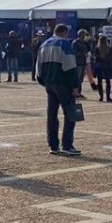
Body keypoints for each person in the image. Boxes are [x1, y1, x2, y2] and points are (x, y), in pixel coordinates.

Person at [37, 23, 82, 156]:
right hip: (63, 83)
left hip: (49, 83)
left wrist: (44, 82)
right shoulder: (65, 44)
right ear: (65, 32)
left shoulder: (44, 44)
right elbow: (70, 66)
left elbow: (38, 67)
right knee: (70, 114)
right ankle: (67, 145)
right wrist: (75, 86)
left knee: (52, 115)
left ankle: (53, 145)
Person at [95, 35, 112, 102]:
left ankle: (101, 97)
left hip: (99, 66)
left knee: (99, 82)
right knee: (108, 82)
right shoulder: (110, 48)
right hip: (107, 66)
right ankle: (108, 97)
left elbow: (96, 58)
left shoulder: (97, 48)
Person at [71, 29, 91, 100]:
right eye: (84, 35)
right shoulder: (75, 43)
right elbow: (74, 53)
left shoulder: (83, 43)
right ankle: (75, 93)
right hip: (77, 63)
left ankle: (79, 92)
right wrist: (83, 54)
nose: (84, 37)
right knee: (77, 79)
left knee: (81, 79)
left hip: (82, 63)